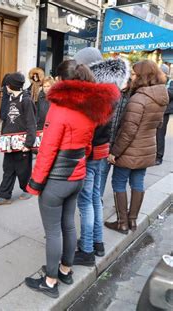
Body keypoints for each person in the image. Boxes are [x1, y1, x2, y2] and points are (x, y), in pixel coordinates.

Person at [24, 60, 119, 298]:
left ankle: (50, 281)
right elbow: (87, 146)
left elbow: (48, 149)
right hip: (77, 174)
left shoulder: (60, 108)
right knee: (67, 224)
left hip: (57, 178)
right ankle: (65, 270)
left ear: (63, 82)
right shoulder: (90, 108)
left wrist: (35, 182)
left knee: (53, 230)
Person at [72, 47, 130, 266]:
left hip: (90, 151)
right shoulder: (112, 86)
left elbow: (87, 128)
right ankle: (97, 242)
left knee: (86, 201)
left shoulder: (92, 88)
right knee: (95, 197)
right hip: (102, 148)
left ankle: (86, 249)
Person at [106, 60, 168, 234]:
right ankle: (132, 221)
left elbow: (128, 131)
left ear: (142, 76)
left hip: (129, 151)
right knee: (137, 183)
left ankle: (122, 222)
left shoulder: (139, 99)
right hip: (147, 149)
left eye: (134, 74)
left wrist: (114, 153)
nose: (131, 77)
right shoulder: (161, 96)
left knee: (118, 182)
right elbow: (159, 123)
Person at [0, 72, 37, 206]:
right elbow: (5, 120)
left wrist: (28, 143)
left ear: (10, 86)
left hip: (22, 143)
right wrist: (3, 138)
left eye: (7, 85)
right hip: (9, 143)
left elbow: (31, 123)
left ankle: (27, 188)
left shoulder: (26, 100)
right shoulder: (9, 99)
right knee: (8, 168)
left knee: (23, 169)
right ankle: (4, 196)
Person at [155, 64, 172, 165]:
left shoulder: (170, 83)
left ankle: (159, 156)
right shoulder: (155, 82)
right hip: (154, 109)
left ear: (165, 74)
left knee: (160, 134)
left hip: (164, 111)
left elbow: (169, 94)